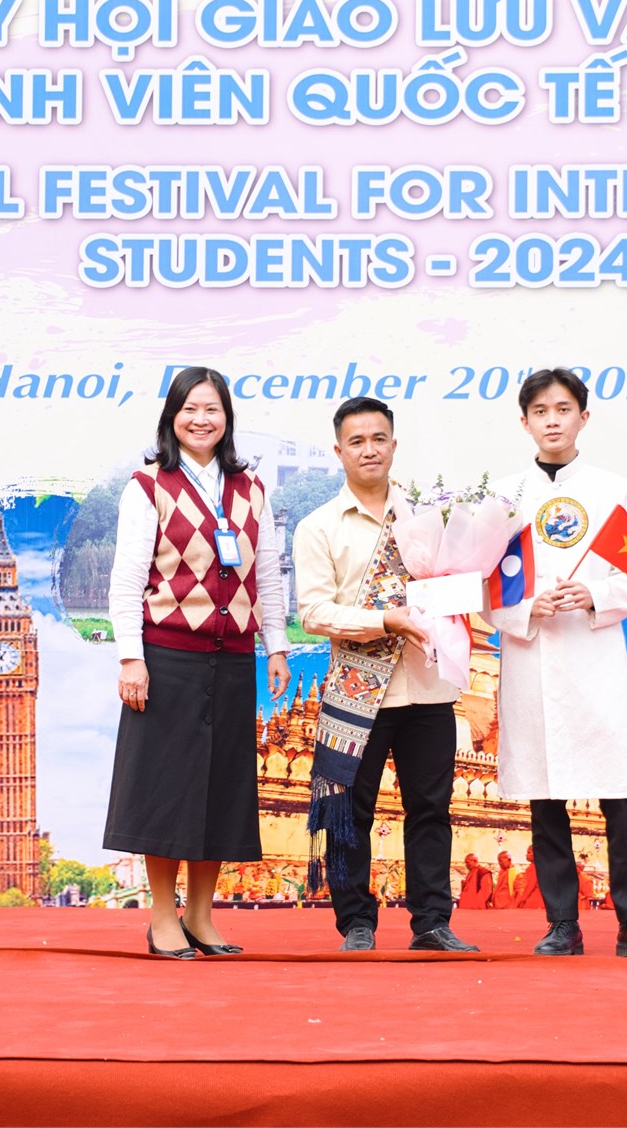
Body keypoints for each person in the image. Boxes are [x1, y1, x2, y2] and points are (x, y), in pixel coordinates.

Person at [485, 368, 627, 960]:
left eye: (563, 409)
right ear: (524, 423)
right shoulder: (503, 497)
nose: (552, 421)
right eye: (540, 411)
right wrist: (524, 608)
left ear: (583, 418)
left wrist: (595, 594)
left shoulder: (612, 490)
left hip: (595, 658)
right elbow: (484, 586)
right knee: (545, 798)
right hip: (533, 657)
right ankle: (561, 924)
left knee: (620, 790)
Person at [104, 366, 292, 959]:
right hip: (168, 657)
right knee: (166, 791)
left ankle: (202, 918)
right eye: (190, 409)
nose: (201, 419)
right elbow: (126, 581)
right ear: (172, 417)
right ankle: (163, 918)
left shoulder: (251, 488)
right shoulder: (148, 486)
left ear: (227, 418)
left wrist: (276, 646)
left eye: (212, 409)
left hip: (232, 658)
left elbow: (267, 576)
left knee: (220, 790)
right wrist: (131, 659)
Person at [292, 396, 477, 953]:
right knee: (348, 812)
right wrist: (384, 620)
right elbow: (313, 613)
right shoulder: (318, 526)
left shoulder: (431, 518)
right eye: (357, 441)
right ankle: (356, 922)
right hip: (356, 694)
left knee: (431, 809)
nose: (369, 450)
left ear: (394, 445)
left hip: (428, 687)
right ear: (339, 451)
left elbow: (455, 585)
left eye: (378, 439)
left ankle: (432, 923)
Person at [513, 846, 544, 910]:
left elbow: (529, 886)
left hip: (534, 899)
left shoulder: (534, 868)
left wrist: (522, 899)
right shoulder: (541, 866)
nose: (526, 855)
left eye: (529, 852)